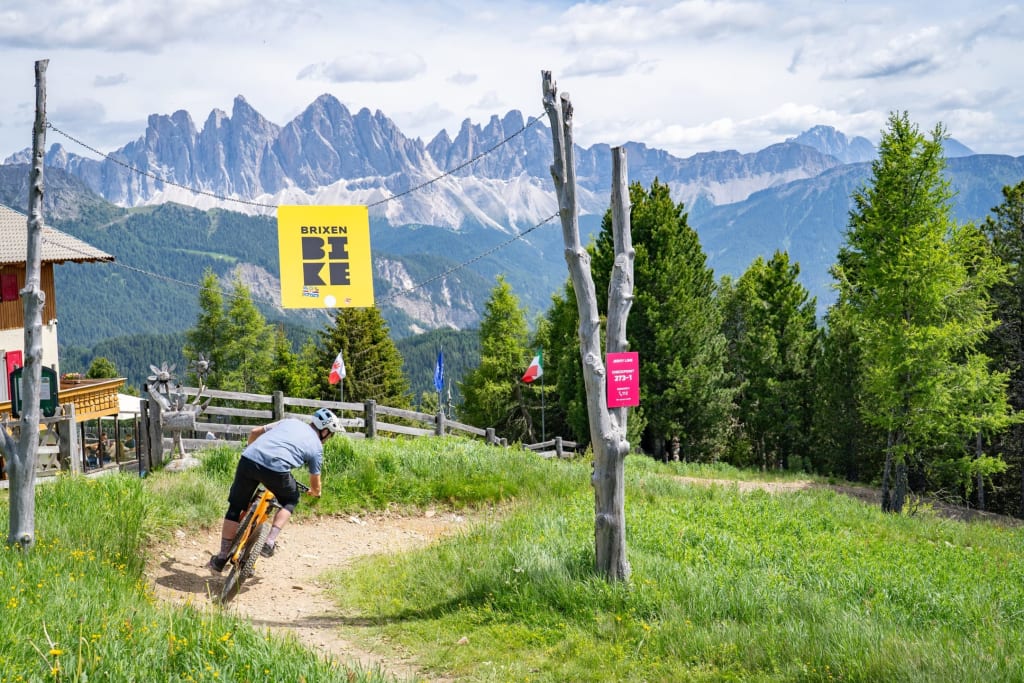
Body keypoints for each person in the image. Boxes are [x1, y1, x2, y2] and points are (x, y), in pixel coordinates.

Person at [208, 408, 342, 572]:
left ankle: (221, 557)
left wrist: (250, 449)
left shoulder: (290, 421)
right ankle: (269, 542)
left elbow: (255, 431)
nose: (329, 438)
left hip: (249, 459)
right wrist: (315, 492)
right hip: (277, 471)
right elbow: (315, 481)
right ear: (325, 431)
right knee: (291, 500)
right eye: (331, 434)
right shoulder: (317, 447)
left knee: (235, 507)